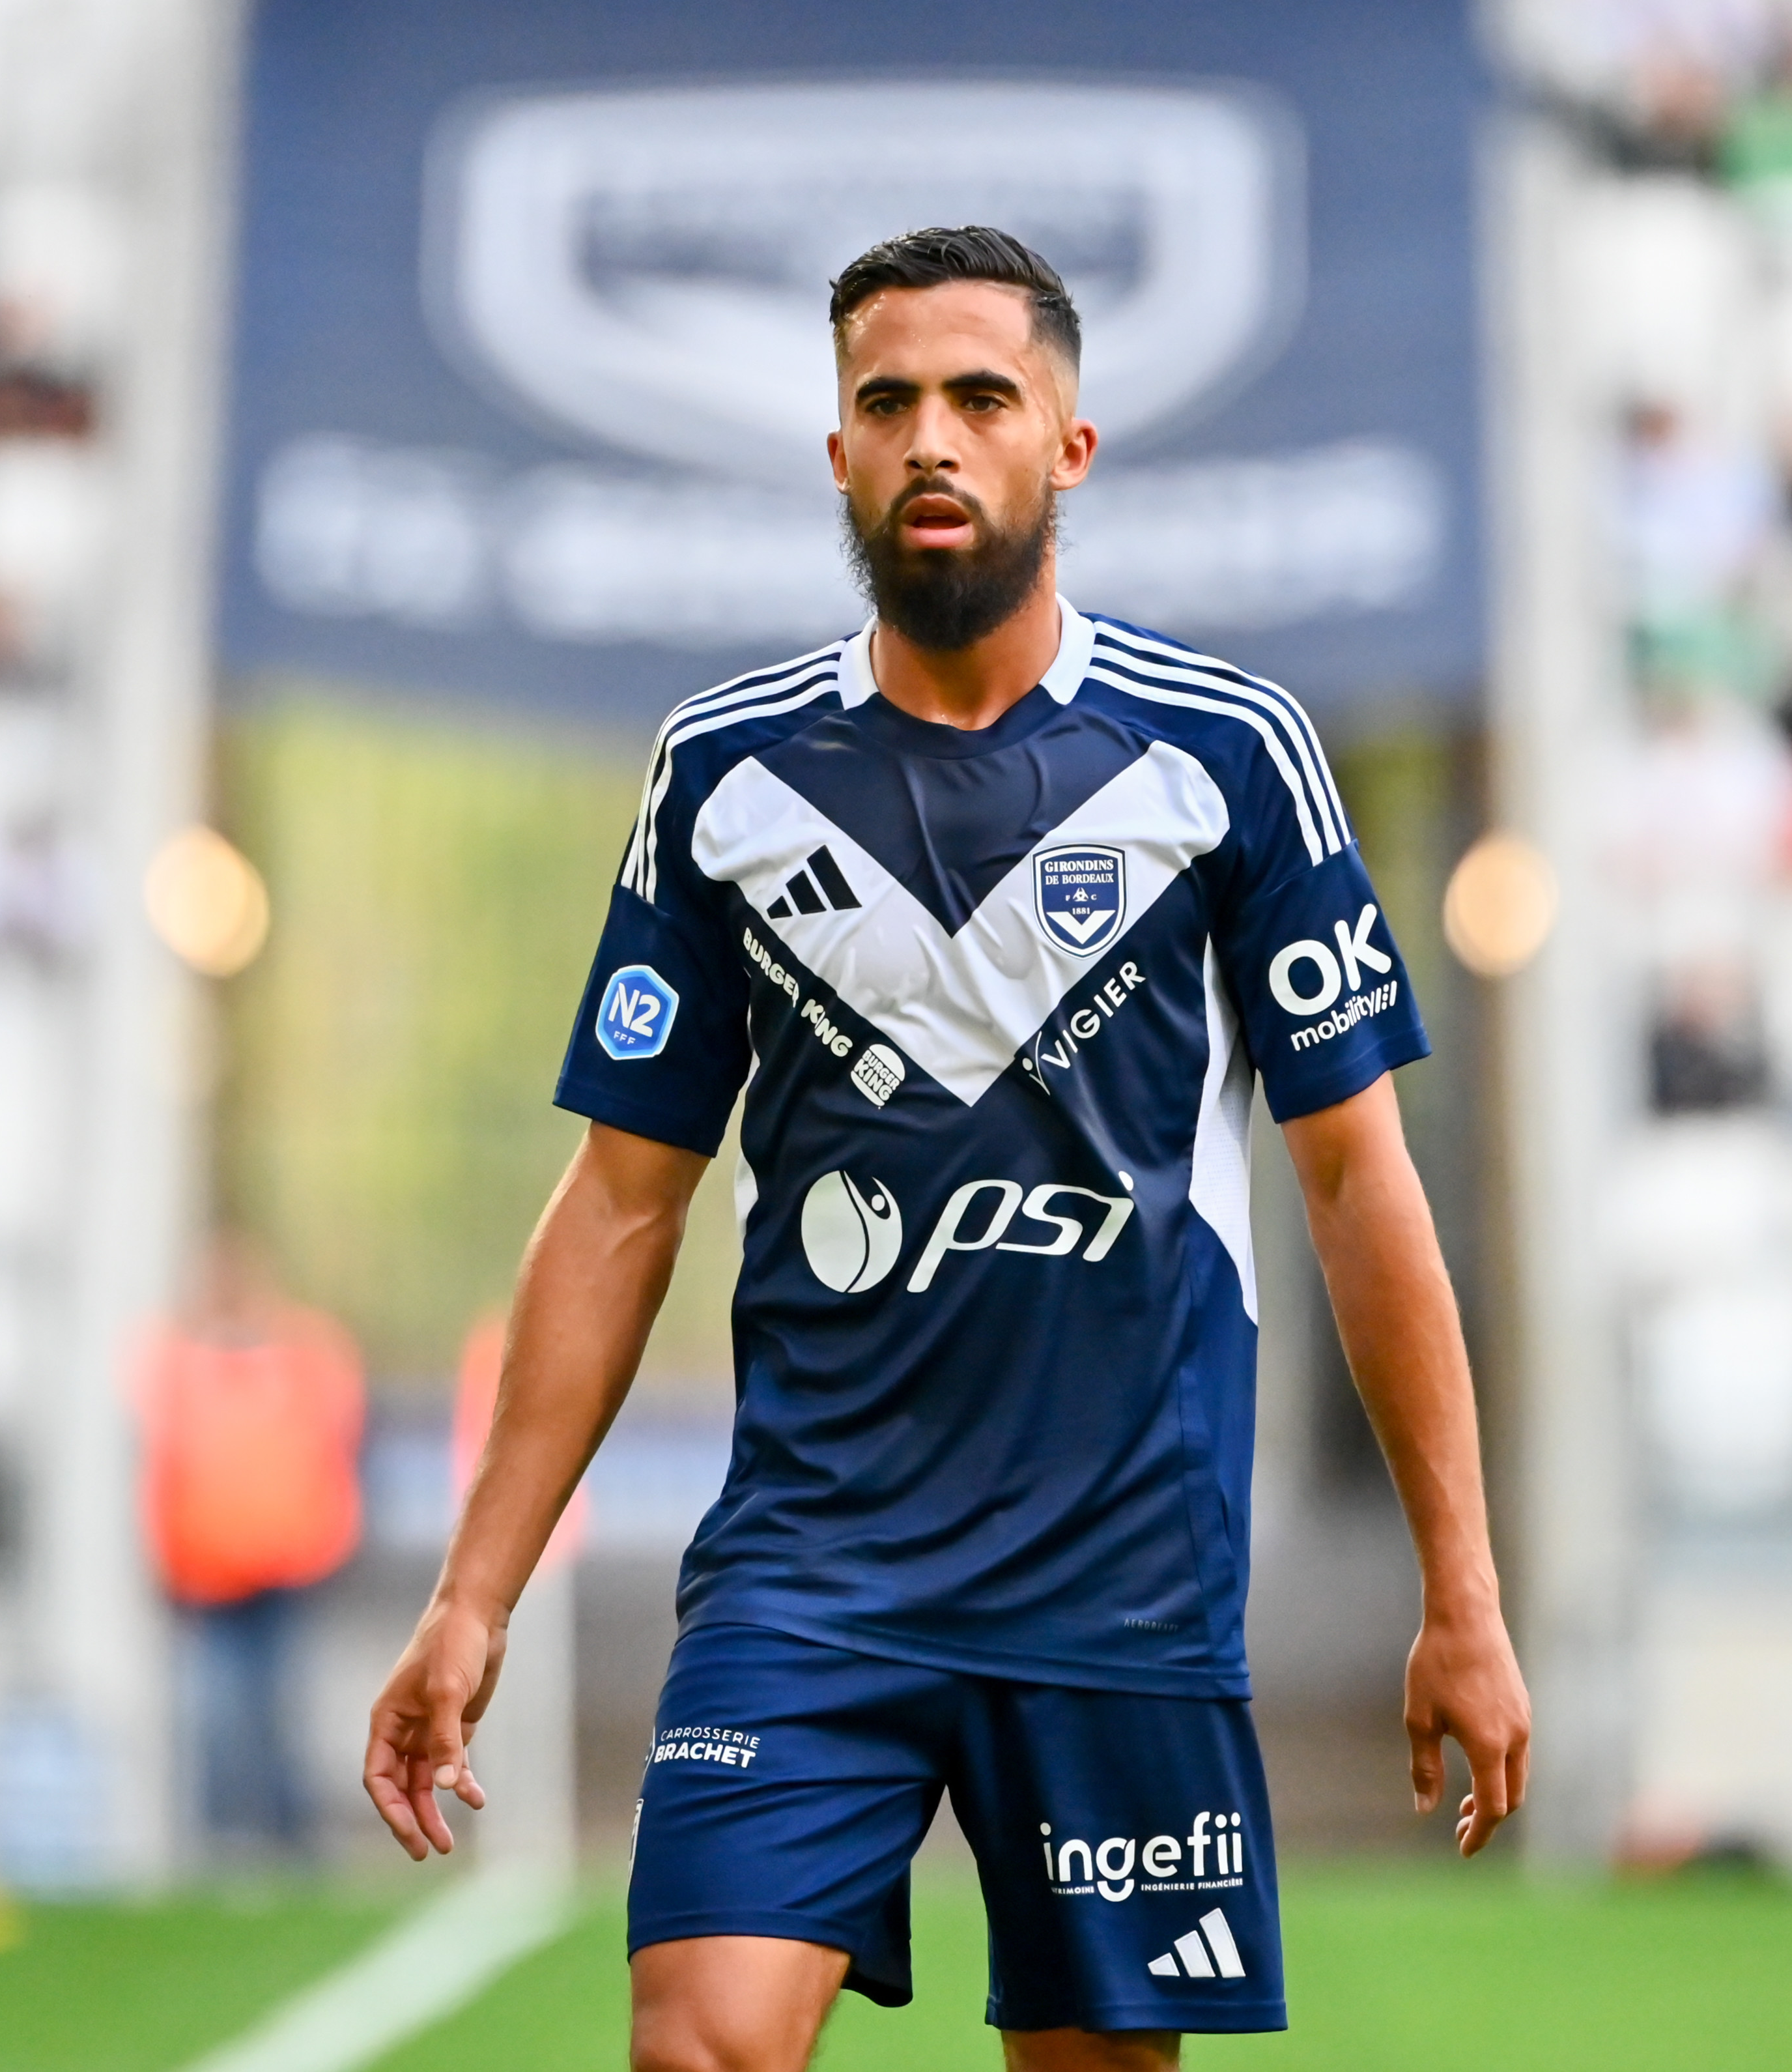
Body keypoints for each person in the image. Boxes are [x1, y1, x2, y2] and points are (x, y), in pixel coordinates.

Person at [361, 225, 1530, 2071]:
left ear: (1068, 442)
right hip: (810, 1568)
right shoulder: (722, 774)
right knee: (700, 2044)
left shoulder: (1233, 755)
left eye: (981, 396)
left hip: (1121, 1574)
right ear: (835, 450)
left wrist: (1462, 1593)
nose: (932, 436)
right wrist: (474, 1590)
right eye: (886, 400)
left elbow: (1356, 1180)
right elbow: (616, 1206)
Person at [129, 1233, 365, 1859]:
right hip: (206, 1572)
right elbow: (158, 1461)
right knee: (220, 1716)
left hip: (287, 1563)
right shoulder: (176, 1360)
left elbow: (340, 1443)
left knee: (279, 1711)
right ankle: (229, 1838)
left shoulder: (302, 1352)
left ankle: (288, 1836)